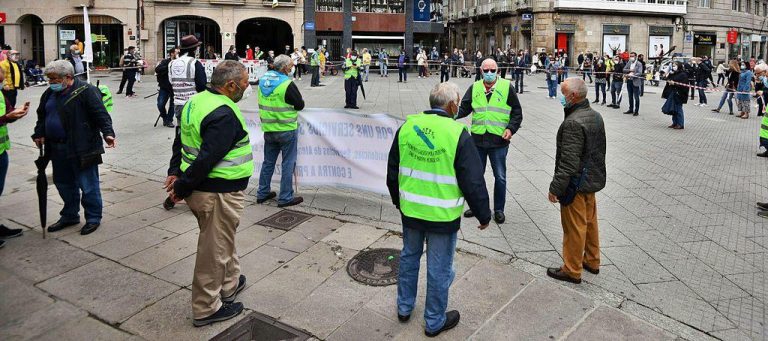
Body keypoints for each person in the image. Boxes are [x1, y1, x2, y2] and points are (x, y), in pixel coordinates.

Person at [386, 82, 491, 338]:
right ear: (453, 105)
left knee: (409, 258)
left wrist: (399, 202)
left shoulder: (408, 127)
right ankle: (434, 321)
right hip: (442, 216)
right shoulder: (457, 133)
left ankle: (404, 307)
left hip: (411, 211)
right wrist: (483, 214)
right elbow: (472, 180)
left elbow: (392, 171)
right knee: (439, 268)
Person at [166, 61, 252, 327]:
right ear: (230, 85)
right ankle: (206, 307)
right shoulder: (223, 112)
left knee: (223, 239)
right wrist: (181, 186)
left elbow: (180, 139)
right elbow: (207, 158)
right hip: (216, 192)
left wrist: (175, 171)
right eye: (245, 84)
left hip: (208, 190)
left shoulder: (196, 101)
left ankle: (229, 283)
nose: (247, 88)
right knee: (213, 250)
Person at [32, 60, 116, 236]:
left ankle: (93, 218)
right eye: (49, 79)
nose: (51, 83)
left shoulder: (86, 91)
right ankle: (70, 215)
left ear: (67, 77)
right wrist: (39, 133)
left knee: (88, 185)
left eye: (54, 79)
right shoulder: (49, 94)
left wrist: (108, 133)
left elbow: (101, 115)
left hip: (83, 147)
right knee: (63, 184)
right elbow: (42, 116)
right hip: (57, 148)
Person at [546, 77, 606, 284]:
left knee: (574, 228)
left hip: (576, 183)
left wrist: (555, 188)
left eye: (563, 94)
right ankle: (592, 260)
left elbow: (569, 162)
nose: (561, 99)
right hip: (591, 179)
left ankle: (572, 269)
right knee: (590, 223)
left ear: (572, 96)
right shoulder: (595, 115)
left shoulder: (572, 122)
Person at [456, 58, 523, 223]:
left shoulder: (507, 87)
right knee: (476, 175)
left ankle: (499, 209)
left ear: (498, 71)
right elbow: (464, 108)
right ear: (481, 71)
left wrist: (510, 128)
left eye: (492, 70)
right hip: (477, 140)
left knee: (500, 176)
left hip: (499, 141)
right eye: (486, 70)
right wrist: (448, 114)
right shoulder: (475, 88)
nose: (489, 73)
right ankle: (477, 206)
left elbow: (517, 112)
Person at [256, 55, 305, 207]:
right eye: (290, 66)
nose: (292, 68)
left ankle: (262, 192)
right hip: (286, 129)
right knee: (288, 163)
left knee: (268, 162)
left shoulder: (263, 80)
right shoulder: (286, 84)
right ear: (284, 68)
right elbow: (299, 105)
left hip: (269, 129)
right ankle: (285, 197)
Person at [0, 69, 30, 247]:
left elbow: (6, 116)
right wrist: (5, 117)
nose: (3, 72)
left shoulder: (1, 93)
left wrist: (16, 113)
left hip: (1, 150)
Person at [169, 36, 207, 124]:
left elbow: (171, 83)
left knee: (181, 129)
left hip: (178, 103)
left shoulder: (172, 63)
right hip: (193, 104)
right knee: (193, 132)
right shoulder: (195, 63)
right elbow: (201, 85)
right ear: (194, 50)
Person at [661, 61, 689, 130]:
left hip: (679, 93)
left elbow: (684, 85)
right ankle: (675, 123)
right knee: (673, 108)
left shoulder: (683, 74)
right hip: (672, 92)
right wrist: (666, 77)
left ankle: (680, 124)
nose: (673, 67)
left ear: (679, 66)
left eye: (675, 65)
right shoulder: (673, 73)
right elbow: (667, 79)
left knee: (678, 109)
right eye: (673, 65)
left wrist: (674, 84)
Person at [155, 47, 177, 127]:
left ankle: (169, 120)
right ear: (172, 53)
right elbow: (157, 69)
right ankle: (164, 117)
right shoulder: (165, 61)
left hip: (175, 88)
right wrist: (169, 66)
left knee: (172, 105)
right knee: (160, 104)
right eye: (176, 52)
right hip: (164, 86)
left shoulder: (180, 63)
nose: (178, 54)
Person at [754, 63, 768, 157]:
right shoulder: (763, 80)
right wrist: (758, 83)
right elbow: (757, 91)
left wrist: (764, 92)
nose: (757, 75)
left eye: (758, 73)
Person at [623, 52, 642, 116]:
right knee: (630, 96)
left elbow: (640, 73)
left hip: (635, 82)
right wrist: (630, 70)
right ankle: (631, 109)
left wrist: (633, 74)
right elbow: (624, 69)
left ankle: (636, 111)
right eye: (630, 56)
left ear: (636, 56)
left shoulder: (639, 64)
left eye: (632, 56)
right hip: (629, 81)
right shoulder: (629, 62)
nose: (631, 57)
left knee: (636, 97)